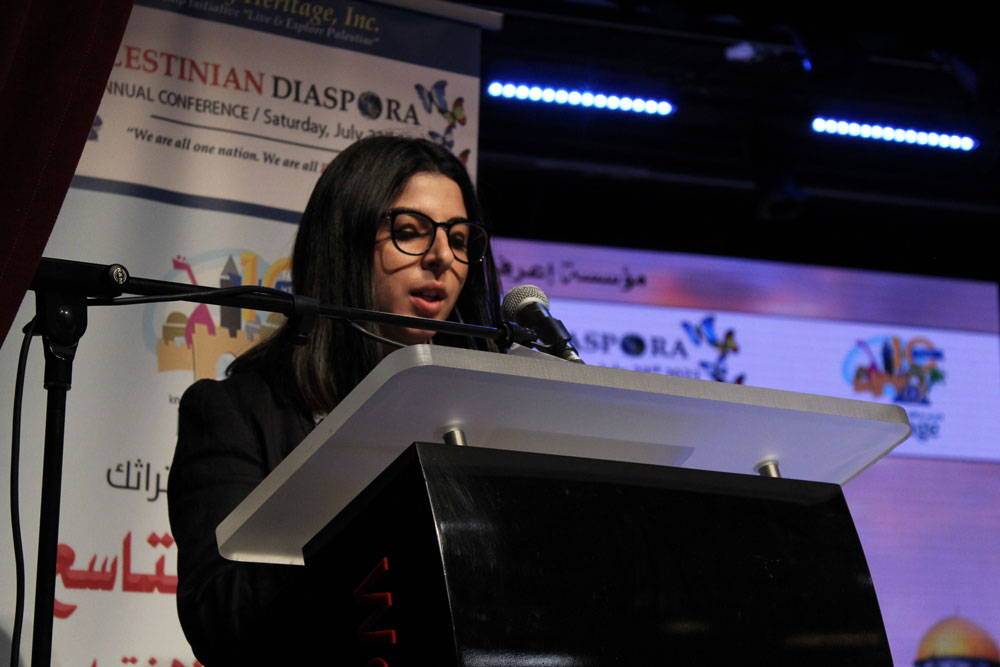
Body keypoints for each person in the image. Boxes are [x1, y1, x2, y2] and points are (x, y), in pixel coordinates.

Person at [166, 135, 502, 665]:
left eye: (459, 239)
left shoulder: (483, 410)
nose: (443, 257)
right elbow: (220, 619)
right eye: (410, 232)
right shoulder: (235, 413)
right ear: (344, 244)